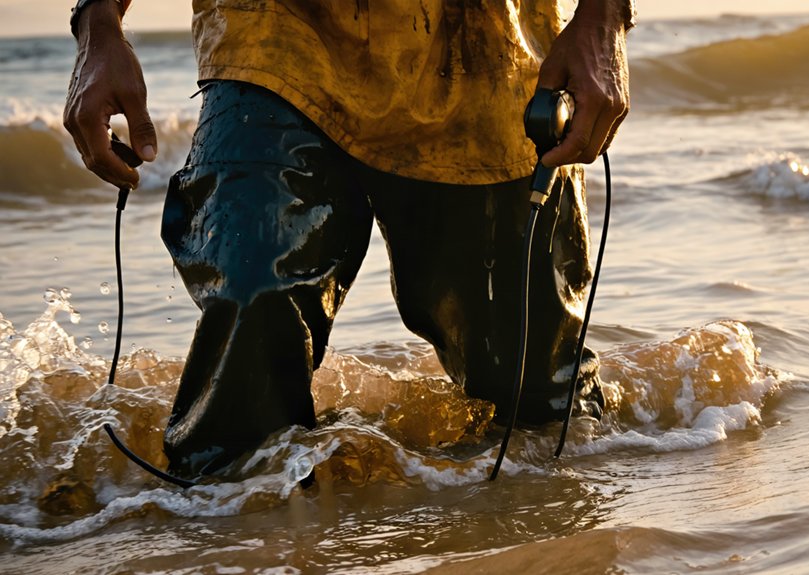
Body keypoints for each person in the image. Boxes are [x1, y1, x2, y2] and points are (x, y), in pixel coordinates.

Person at [65, 0, 632, 478]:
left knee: (540, 406)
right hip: (272, 38)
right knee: (251, 310)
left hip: (484, 45)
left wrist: (604, 15)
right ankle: (231, 538)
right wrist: (99, 22)